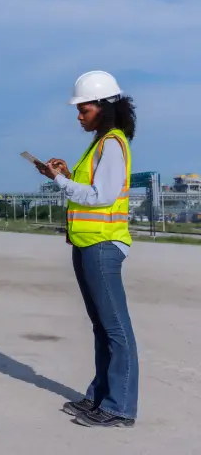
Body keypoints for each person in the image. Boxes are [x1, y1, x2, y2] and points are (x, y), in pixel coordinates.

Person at [35, 70, 138, 428]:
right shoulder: (99, 144)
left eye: (84, 109)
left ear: (104, 107)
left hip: (102, 245)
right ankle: (99, 397)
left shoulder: (112, 143)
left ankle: (120, 407)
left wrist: (61, 182)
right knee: (101, 327)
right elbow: (90, 188)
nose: (79, 116)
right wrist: (65, 174)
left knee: (115, 329)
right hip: (86, 244)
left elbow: (103, 197)